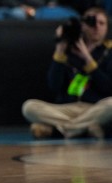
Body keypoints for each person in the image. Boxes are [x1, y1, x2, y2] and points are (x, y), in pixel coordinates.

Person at [22, 8, 112, 139]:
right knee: (29, 107)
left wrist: (88, 60)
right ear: (83, 25)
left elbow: (108, 88)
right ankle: (82, 128)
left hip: (96, 108)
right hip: (66, 109)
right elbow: (54, 86)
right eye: (91, 22)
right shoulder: (68, 50)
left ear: (107, 27)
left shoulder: (109, 51)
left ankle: (61, 130)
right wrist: (60, 50)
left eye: (101, 23)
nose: (96, 27)